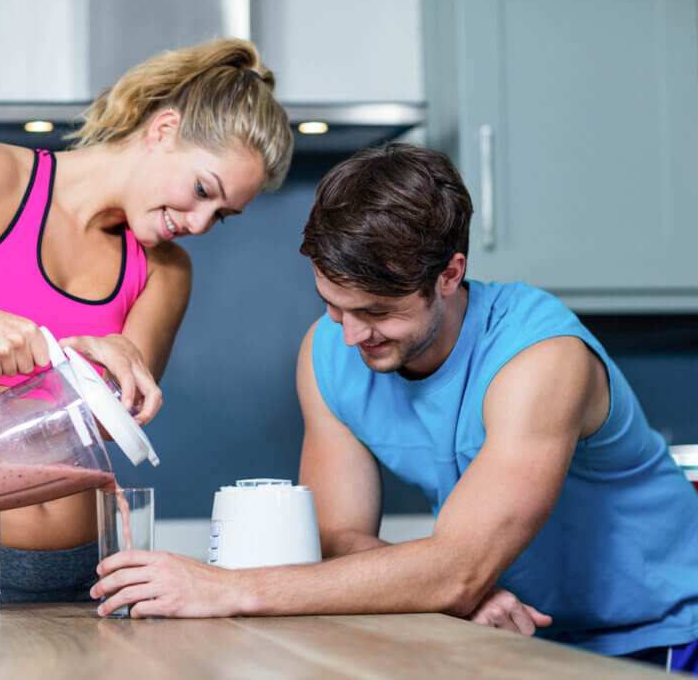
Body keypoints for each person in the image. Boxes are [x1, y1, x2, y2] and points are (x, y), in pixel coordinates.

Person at [91, 143, 698, 671]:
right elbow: (333, 535)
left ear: (449, 275)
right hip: (511, 633)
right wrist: (451, 587)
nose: (352, 335)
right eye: (334, 303)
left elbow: (457, 568)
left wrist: (224, 588)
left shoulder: (540, 359)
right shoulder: (327, 352)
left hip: (658, 635)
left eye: (378, 312)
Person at [0, 38, 293, 603]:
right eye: (203, 191)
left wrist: (87, 357)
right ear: (162, 130)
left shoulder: (166, 269)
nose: (202, 222)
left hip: (90, 574)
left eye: (223, 216)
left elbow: (111, 420)